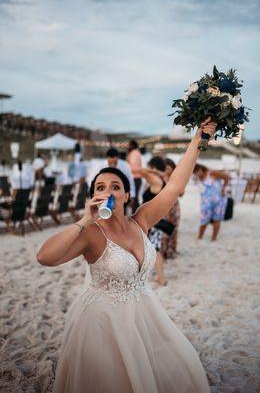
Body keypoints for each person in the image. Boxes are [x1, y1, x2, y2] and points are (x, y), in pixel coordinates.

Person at [36, 118, 215, 393]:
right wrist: (84, 219)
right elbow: (45, 258)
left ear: (126, 195)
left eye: (115, 187)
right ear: (93, 196)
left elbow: (174, 187)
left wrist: (198, 139)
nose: (108, 191)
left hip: (143, 313)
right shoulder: (91, 234)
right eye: (100, 187)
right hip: (102, 324)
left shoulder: (140, 220)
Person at [140, 156, 168, 285]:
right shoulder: (162, 179)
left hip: (154, 221)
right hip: (155, 219)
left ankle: (161, 279)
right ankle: (158, 277)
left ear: (154, 167)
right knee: (153, 249)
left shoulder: (157, 181)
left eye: (150, 165)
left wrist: (153, 171)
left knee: (155, 250)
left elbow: (140, 170)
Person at [193, 163, 229, 241]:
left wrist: (223, 188)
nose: (195, 174)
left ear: (200, 169)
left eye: (196, 172)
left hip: (218, 200)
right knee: (204, 219)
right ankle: (200, 237)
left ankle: (214, 238)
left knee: (217, 219)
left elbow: (226, 177)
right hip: (205, 202)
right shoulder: (199, 177)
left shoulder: (211, 173)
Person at [160, 158, 181, 260]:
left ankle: (171, 250)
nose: (168, 170)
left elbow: (181, 193)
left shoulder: (176, 179)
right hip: (163, 205)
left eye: (170, 168)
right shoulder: (159, 178)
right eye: (166, 168)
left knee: (174, 228)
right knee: (164, 230)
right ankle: (163, 252)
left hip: (174, 205)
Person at [127, 140, 142, 212]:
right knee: (135, 199)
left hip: (135, 178)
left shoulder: (134, 153)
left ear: (132, 145)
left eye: (129, 145)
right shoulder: (136, 153)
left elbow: (133, 168)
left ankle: (136, 216)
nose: (128, 146)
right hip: (136, 178)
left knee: (134, 199)